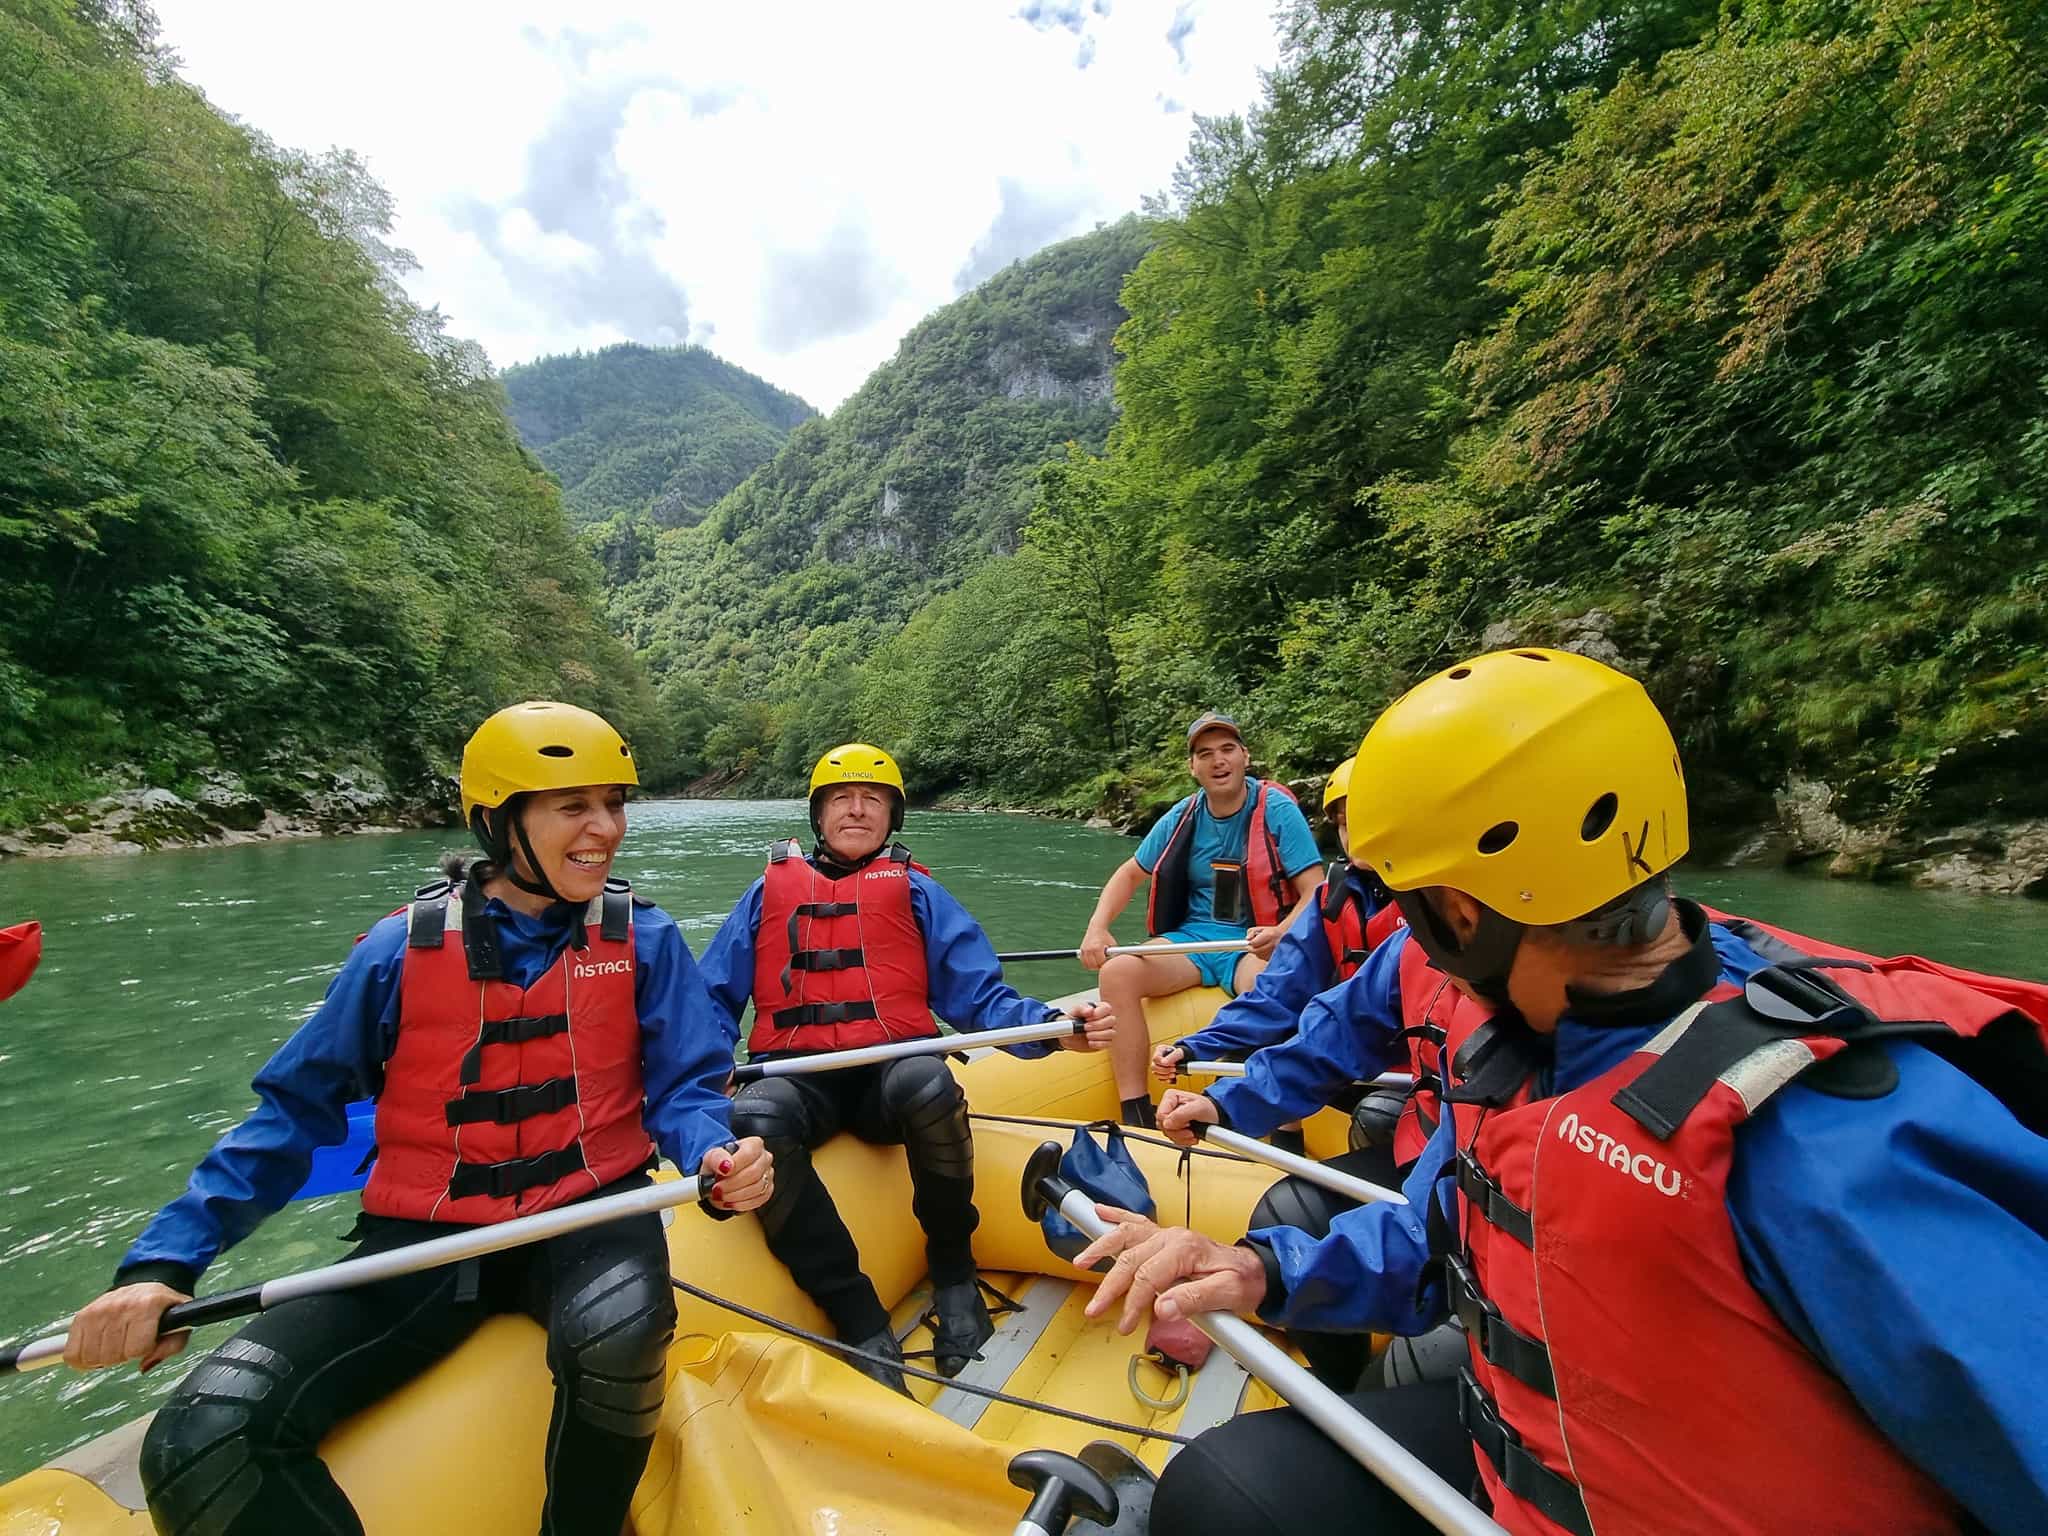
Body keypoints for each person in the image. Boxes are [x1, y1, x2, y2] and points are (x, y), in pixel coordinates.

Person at [1074, 650, 2048, 1536]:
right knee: (1226, 1486)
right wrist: (1257, 1270)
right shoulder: (1543, 1055)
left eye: (1407, 901)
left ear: (1457, 914)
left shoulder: (1833, 1138)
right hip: (1548, 1470)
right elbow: (1442, 1231)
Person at [62, 701, 773, 1536]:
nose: (605, 828)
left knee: (618, 1332)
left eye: (613, 803)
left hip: (593, 1215)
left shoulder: (643, 939)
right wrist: (163, 1267)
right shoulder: (399, 951)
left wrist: (714, 1158)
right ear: (501, 821)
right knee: (203, 1431)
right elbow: (292, 1116)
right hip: (423, 1240)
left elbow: (685, 1090)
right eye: (571, 806)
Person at [698, 742, 1114, 1396]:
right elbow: (713, 1000)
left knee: (930, 1081)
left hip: (887, 1082)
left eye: (873, 799)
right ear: (819, 814)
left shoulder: (918, 890)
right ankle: (858, 1316)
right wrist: (705, 1071)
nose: (857, 809)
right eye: (842, 797)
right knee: (756, 1113)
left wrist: (1056, 1033)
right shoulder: (767, 889)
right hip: (796, 1080)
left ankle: (953, 1274)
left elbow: (978, 998)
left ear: (893, 816)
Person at [1149, 754, 1408, 1160]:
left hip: (1413, 1072)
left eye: (1362, 817)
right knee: (1250, 1051)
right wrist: (1197, 1045)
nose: (1352, 833)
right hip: (1352, 1049)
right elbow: (1279, 991)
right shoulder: (1335, 897)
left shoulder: (1433, 906)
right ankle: (1282, 1152)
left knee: (1379, 1115)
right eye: (1342, 823)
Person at [1078, 712, 1323, 1126]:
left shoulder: (1277, 809)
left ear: (1245, 756)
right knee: (1117, 973)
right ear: (1193, 767)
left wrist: (1282, 932)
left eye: (1227, 750)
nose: (1218, 761)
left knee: (1272, 988)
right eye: (1205, 754)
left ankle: (1286, 1128)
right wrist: (1097, 927)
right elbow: (1130, 873)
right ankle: (1136, 1111)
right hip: (1193, 941)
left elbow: (1315, 890)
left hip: (1253, 942)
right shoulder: (1183, 815)